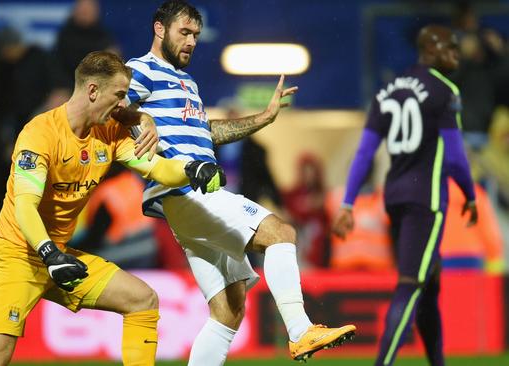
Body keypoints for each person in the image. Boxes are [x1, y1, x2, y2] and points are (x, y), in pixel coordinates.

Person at [0, 50, 226, 366]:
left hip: (59, 254)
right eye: (120, 95)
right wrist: (49, 254)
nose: (124, 104)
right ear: (93, 90)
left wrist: (191, 169)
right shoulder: (39, 134)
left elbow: (155, 167)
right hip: (16, 255)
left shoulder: (109, 132)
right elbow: (24, 206)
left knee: (142, 300)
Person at [124, 1, 355, 364]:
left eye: (196, 35)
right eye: (183, 32)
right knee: (281, 233)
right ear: (159, 29)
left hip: (189, 205)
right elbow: (112, 106)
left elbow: (208, 132)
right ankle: (300, 330)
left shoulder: (187, 82)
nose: (191, 42)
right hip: (187, 192)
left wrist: (264, 117)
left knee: (228, 312)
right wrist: (138, 116)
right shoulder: (141, 69)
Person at [332, 25, 479, 366]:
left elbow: (365, 153)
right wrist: (470, 195)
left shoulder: (386, 92)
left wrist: (348, 202)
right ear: (431, 48)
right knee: (411, 284)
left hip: (394, 197)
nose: (456, 54)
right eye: (451, 48)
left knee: (430, 286)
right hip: (426, 201)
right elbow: (456, 156)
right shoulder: (445, 90)